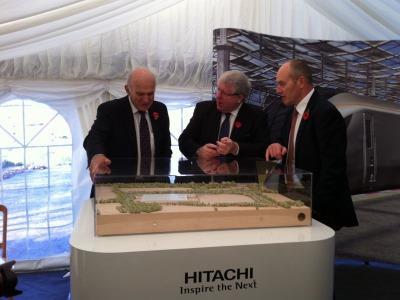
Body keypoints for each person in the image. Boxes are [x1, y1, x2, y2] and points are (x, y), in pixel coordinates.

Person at [265, 59, 358, 230]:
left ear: (300, 82)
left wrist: (314, 212)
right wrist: (276, 146)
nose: (278, 90)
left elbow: (332, 169)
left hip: (315, 209)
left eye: (282, 84)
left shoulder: (325, 113)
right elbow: (289, 148)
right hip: (295, 199)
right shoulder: (290, 113)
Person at [83, 67, 172, 182]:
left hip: (154, 184)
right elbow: (93, 138)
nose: (146, 100)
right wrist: (97, 155)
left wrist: (163, 180)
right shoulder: (110, 110)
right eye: (140, 94)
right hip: (117, 184)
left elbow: (165, 149)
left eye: (150, 94)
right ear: (127, 90)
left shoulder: (160, 109)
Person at [178, 70, 269, 159]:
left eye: (224, 93)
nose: (218, 96)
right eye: (218, 89)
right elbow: (184, 140)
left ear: (240, 98)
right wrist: (199, 151)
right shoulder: (204, 109)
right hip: (206, 172)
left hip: (239, 172)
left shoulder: (256, 115)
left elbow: (263, 148)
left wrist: (236, 148)